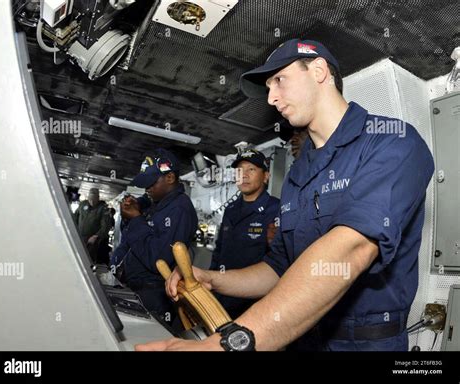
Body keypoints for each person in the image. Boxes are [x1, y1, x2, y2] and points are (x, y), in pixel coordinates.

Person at [136, 39, 434, 351]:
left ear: (319, 70)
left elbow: (352, 250)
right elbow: (279, 268)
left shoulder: (392, 144)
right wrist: (213, 279)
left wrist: (225, 346)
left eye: (279, 80)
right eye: (268, 87)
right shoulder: (297, 175)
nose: (272, 98)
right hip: (299, 338)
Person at [112, 149, 198, 324]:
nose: (147, 189)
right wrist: (133, 213)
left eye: (151, 183)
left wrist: (136, 219)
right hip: (135, 287)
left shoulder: (179, 209)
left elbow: (158, 259)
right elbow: (132, 241)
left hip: (154, 293)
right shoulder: (156, 204)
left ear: (170, 178)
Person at [210, 149, 279, 319]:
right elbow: (219, 250)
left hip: (253, 302)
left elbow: (279, 260)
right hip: (222, 295)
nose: (244, 175)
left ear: (266, 176)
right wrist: (211, 282)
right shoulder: (230, 209)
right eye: (240, 170)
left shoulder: (276, 209)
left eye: (251, 169)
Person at [73, 188, 112, 264]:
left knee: (88, 259)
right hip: (79, 236)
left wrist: (96, 236)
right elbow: (75, 217)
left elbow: (106, 226)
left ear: (98, 198)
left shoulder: (103, 209)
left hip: (92, 240)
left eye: (94, 199)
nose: (92, 202)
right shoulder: (82, 204)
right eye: (90, 199)